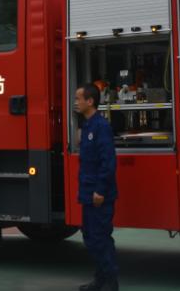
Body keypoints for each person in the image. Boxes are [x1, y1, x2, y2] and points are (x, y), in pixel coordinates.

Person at [74, 83, 118, 291]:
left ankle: (110, 281)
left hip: (99, 194)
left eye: (79, 98)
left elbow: (107, 162)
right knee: (90, 237)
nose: (76, 102)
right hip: (88, 192)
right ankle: (100, 279)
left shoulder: (100, 126)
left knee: (100, 237)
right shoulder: (88, 126)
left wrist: (100, 190)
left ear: (90, 101)